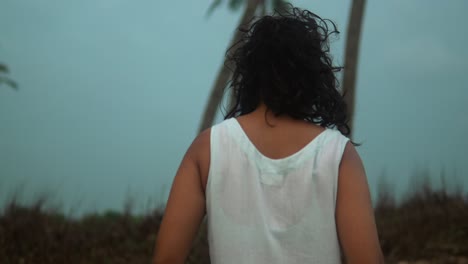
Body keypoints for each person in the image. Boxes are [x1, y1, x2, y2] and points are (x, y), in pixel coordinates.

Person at [153, 6, 384, 264]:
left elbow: (167, 258)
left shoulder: (208, 148)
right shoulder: (338, 155)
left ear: (250, 74)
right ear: (313, 76)